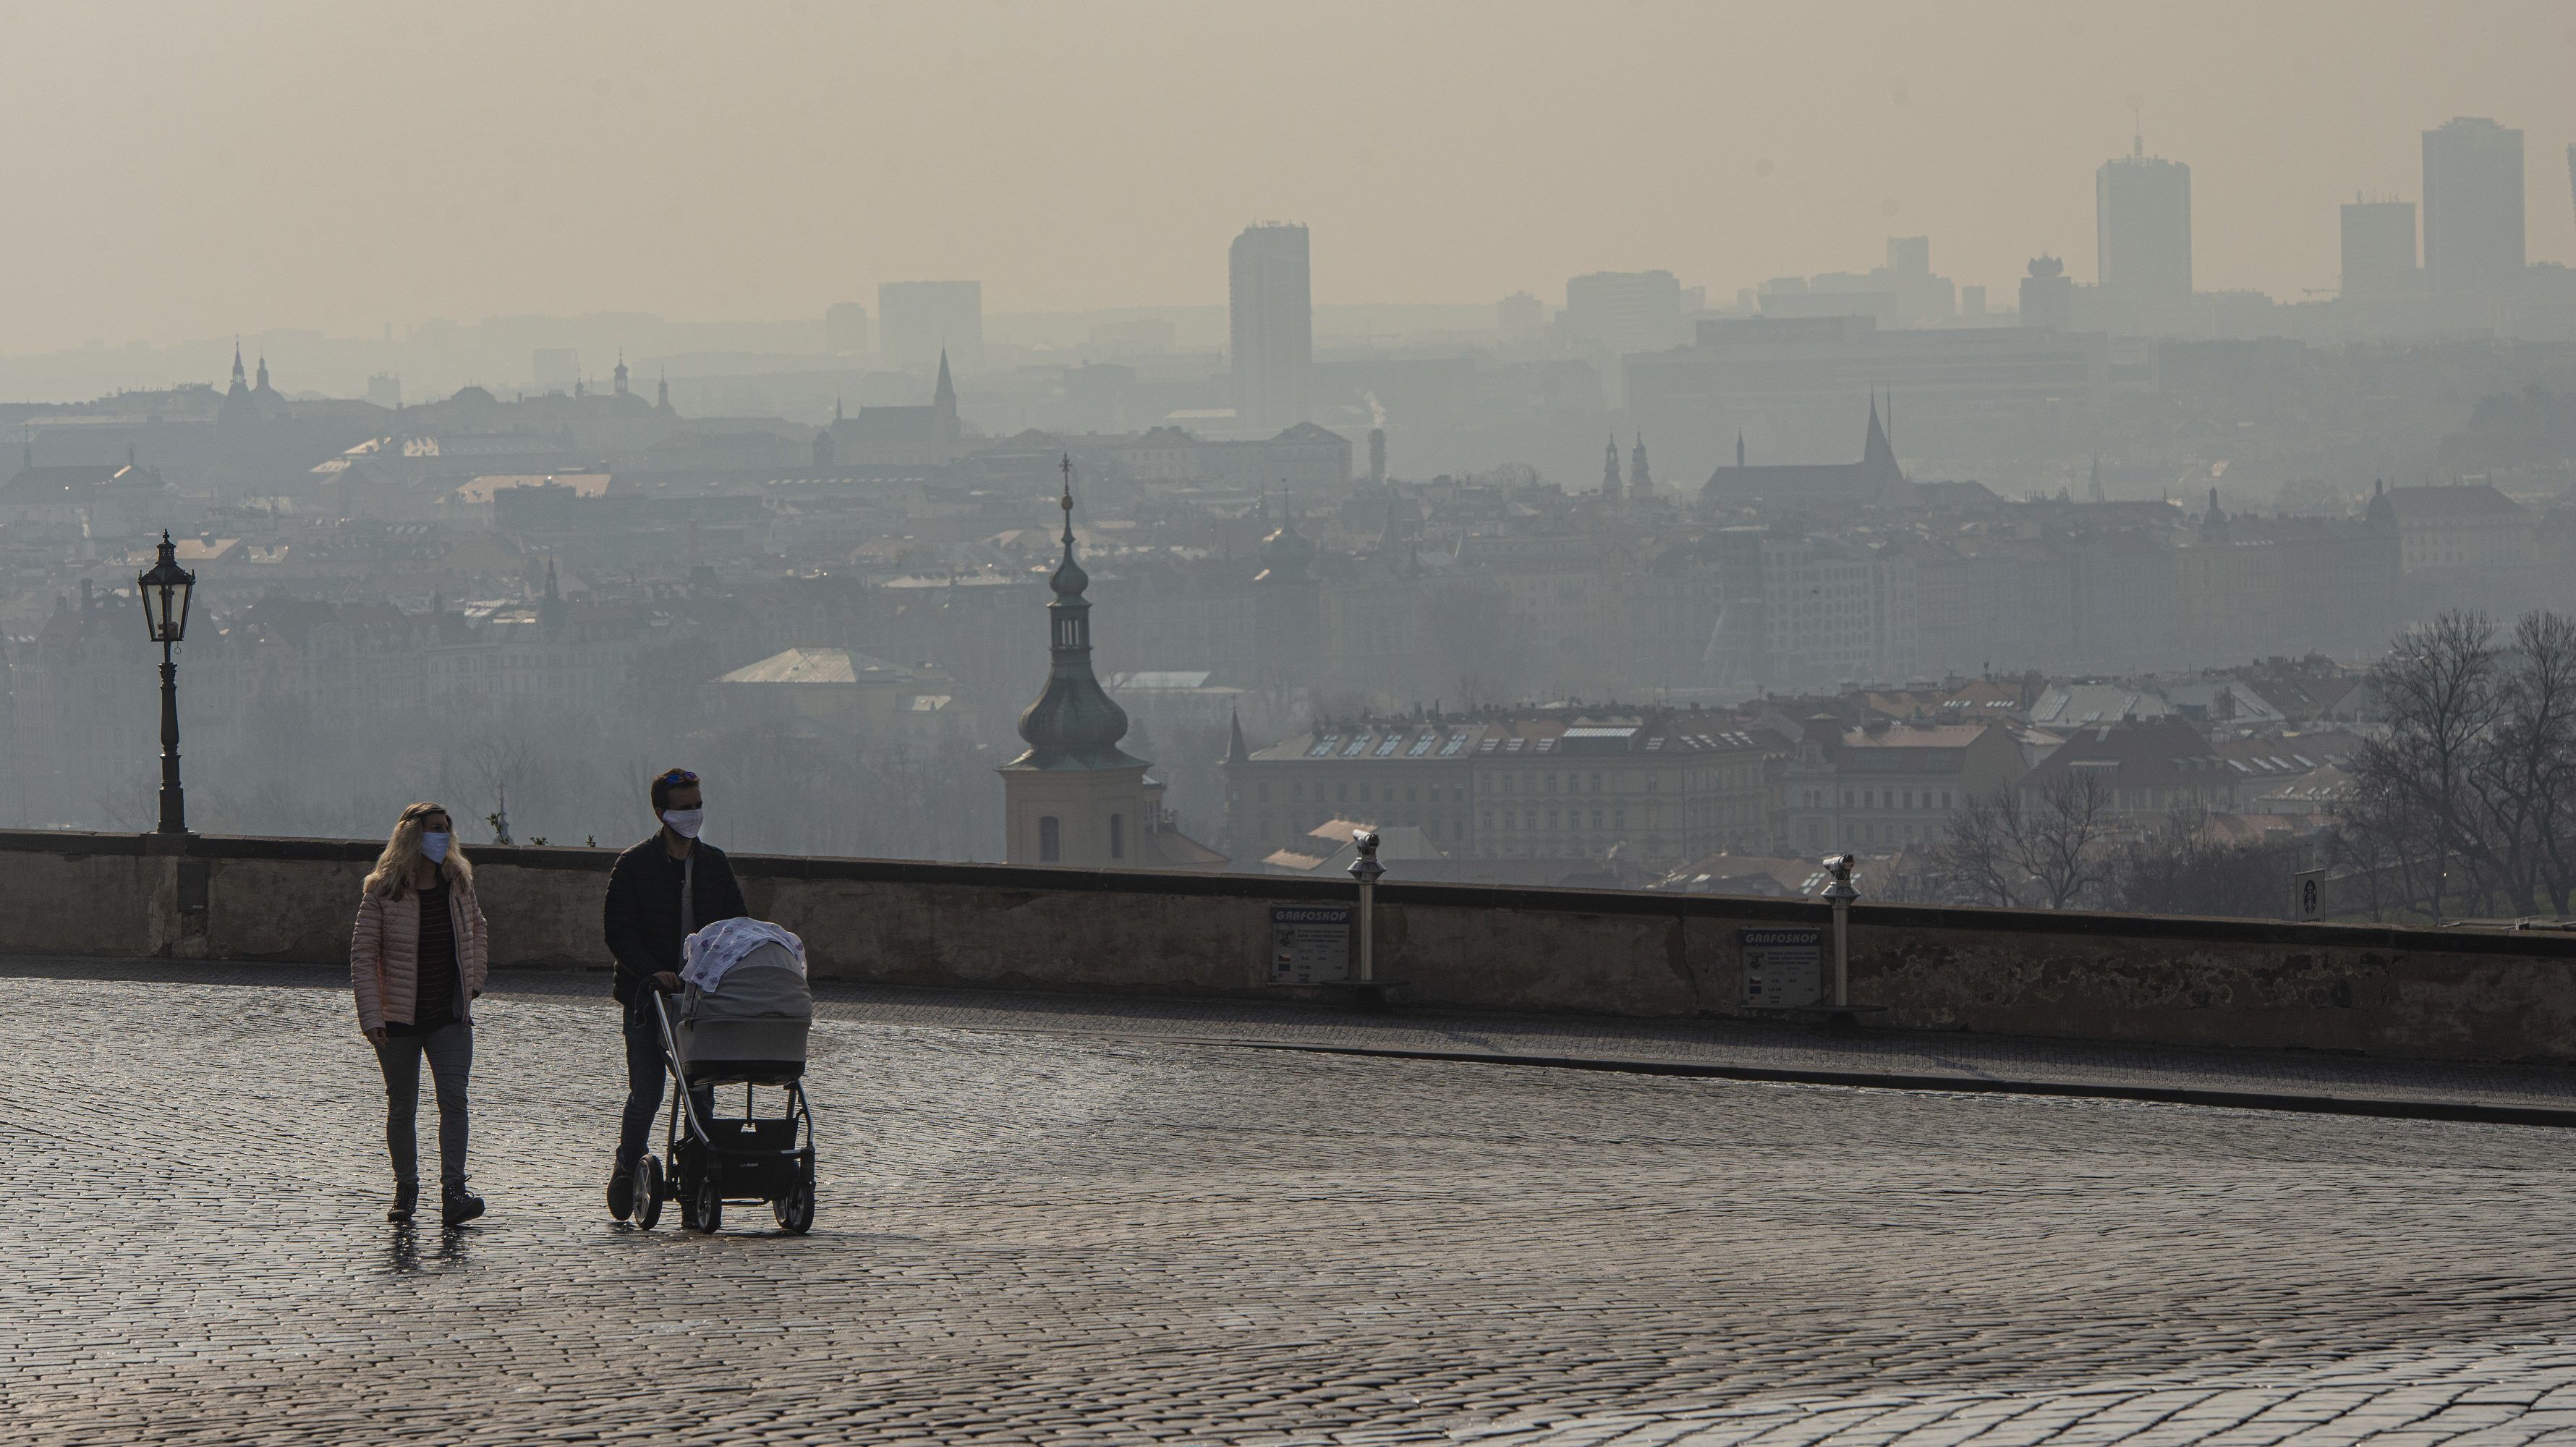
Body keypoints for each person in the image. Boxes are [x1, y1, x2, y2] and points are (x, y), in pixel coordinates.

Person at [603, 766, 747, 1220]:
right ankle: (628, 1166)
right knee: (647, 1091)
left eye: (698, 806)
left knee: (700, 1091)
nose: (694, 815)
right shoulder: (634, 866)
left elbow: (736, 925)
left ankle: (697, 1174)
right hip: (648, 999)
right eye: (685, 808)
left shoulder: (714, 864)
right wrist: (654, 971)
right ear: (663, 814)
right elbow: (618, 932)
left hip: (700, 998)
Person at [350, 802, 490, 1228]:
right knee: (402, 1107)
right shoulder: (383, 890)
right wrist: (371, 1015)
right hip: (398, 1018)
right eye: (434, 829)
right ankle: (406, 1186)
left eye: (446, 829)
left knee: (454, 1100)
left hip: (449, 1014)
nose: (442, 837)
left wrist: (474, 980)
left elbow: (479, 928)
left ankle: (453, 1190)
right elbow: (362, 955)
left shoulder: (458, 883)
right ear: (412, 836)